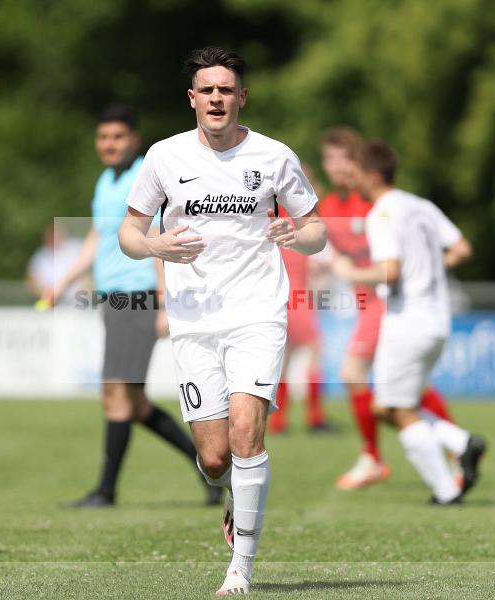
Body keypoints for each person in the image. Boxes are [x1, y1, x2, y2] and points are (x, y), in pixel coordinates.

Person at [118, 47, 327, 596]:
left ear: (242, 97)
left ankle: (242, 567)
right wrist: (154, 245)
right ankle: (233, 493)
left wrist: (297, 235)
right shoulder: (164, 156)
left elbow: (317, 230)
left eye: (226, 89)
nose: (216, 98)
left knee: (245, 432)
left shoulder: (274, 156)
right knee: (213, 458)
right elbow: (129, 232)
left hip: (257, 312)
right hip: (193, 320)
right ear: (192, 98)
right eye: (207, 90)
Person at [44, 103, 219, 508]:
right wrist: (64, 282)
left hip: (137, 297)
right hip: (114, 299)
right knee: (133, 403)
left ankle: (106, 492)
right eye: (103, 137)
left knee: (118, 395)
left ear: (134, 140)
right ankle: (210, 472)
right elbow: (98, 237)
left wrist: (164, 303)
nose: (109, 144)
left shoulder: (144, 177)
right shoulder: (106, 181)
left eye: (118, 137)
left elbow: (158, 240)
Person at [331, 138, 484, 505]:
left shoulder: (381, 213)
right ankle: (459, 445)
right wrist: (429, 269)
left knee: (392, 409)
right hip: (437, 320)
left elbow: (391, 270)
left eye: (356, 174)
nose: (352, 181)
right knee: (393, 406)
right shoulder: (421, 206)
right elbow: (462, 248)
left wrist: (350, 271)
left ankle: (448, 484)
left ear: (371, 175)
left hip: (407, 321)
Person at [268, 204, 329, 434]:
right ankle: (315, 416)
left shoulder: (274, 220)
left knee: (287, 355)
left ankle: (278, 419)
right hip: (298, 297)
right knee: (315, 350)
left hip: (280, 296)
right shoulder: (300, 224)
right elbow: (317, 264)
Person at [26, 223, 88, 303]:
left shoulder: (76, 247)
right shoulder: (40, 256)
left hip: (81, 299)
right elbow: (31, 280)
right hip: (54, 302)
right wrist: (46, 294)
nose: (54, 238)